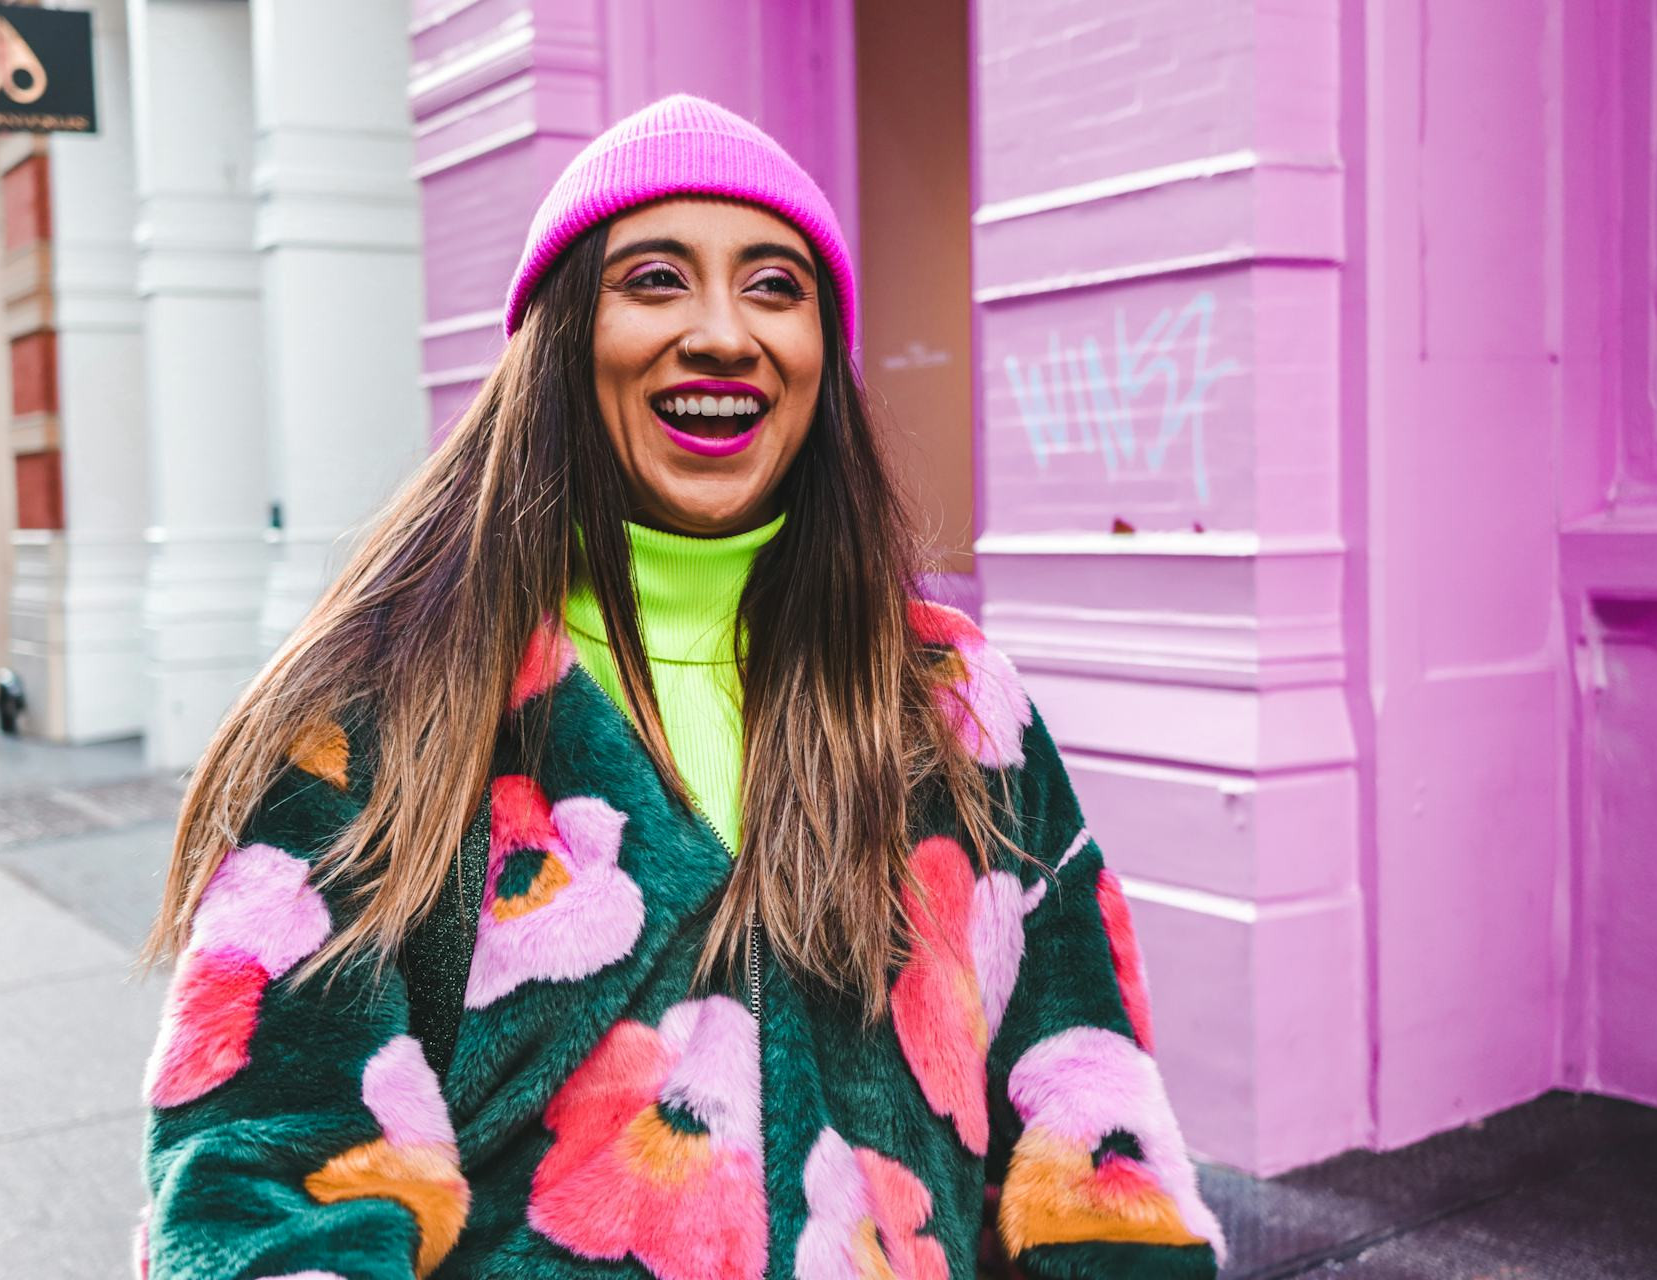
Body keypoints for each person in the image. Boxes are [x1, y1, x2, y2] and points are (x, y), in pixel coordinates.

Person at [130, 92, 1224, 1280]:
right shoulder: (385, 711)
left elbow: (1094, 1120)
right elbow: (260, 1189)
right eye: (654, 279)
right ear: (562, 340)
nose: (722, 333)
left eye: (775, 286)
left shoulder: (953, 702)